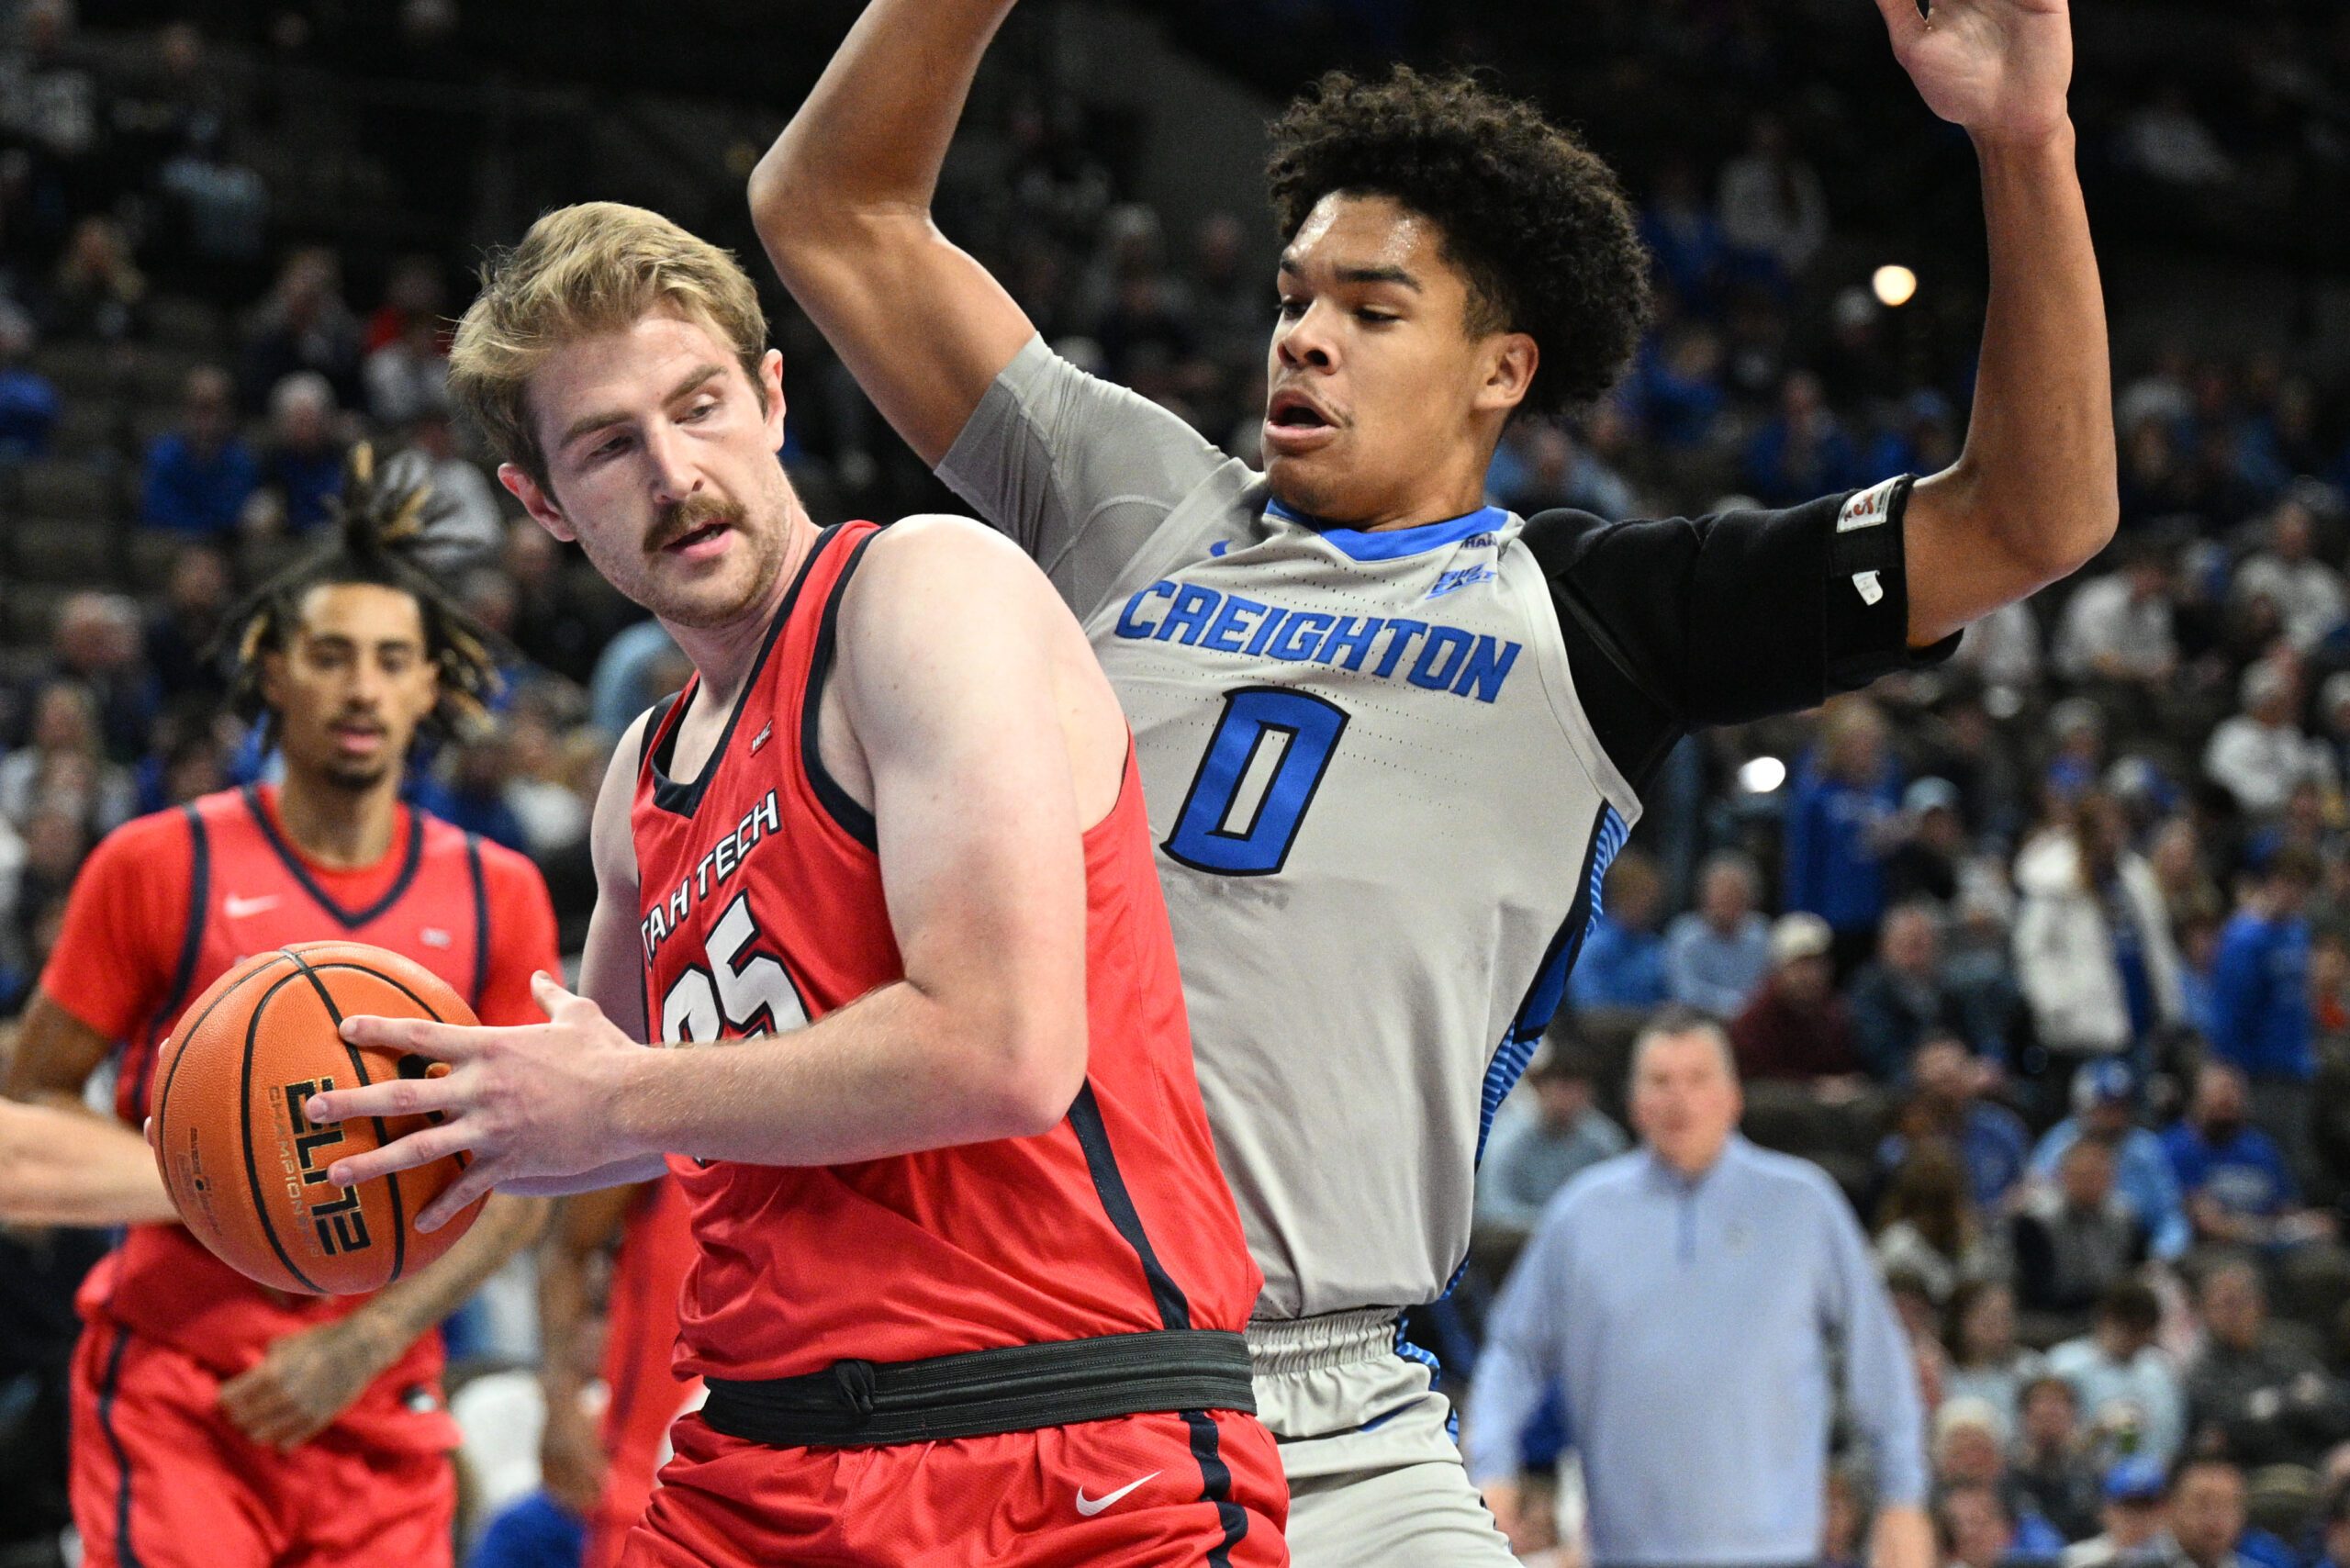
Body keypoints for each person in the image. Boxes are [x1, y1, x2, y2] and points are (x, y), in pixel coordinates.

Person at [754, 0, 2116, 1557]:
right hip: (1026, 1373)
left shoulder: (1595, 616)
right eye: (1292, 297)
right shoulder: (1136, 500)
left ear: (1500, 370)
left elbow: (2034, 515)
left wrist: (2026, 144)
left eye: (1372, 309)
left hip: (1333, 1412)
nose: (1303, 335)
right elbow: (834, 210)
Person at [309, 203, 1282, 1563]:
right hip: (757, 1461)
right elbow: (604, 1115)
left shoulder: (923, 593)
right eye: (608, 446)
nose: (673, 472)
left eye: (698, 407)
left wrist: (612, 1095)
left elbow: (1004, 1049)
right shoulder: (641, 780)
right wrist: (379, 1124)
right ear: (542, 505)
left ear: (771, 398)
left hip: (1054, 1436)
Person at [0, 457, 563, 1568]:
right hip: (180, 1387)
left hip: (379, 1384)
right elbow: (27, 1116)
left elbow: (527, 1173)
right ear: (273, 670)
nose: (361, 687)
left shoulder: (498, 890)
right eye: (330, 654)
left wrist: (370, 1338)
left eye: (391, 660)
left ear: (430, 685)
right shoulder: (159, 862)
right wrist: (225, 1181)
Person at [1466, 1012, 1930, 1567]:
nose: (1679, 1099)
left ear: (1733, 1096)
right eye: (1661, 1081)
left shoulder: (1806, 1205)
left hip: (1777, 1548)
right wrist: (1491, 1467)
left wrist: (1904, 1496)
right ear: (1635, 1103)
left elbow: (1876, 1355)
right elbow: (1513, 1353)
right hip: (1624, 1550)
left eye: (1698, 1078)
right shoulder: (1580, 1215)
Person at [536, 1178, 701, 1568]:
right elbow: (568, 1248)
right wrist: (561, 1400)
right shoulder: (664, 1140)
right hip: (644, 1486)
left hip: (801, 1482)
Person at [2184, 1255, 2347, 1465]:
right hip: (2250, 1469)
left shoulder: (2290, 1351)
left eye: (2243, 1301)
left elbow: (2336, 1405)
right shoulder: (2201, 1372)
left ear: (2260, 1305)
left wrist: (2271, 1406)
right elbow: (2233, 1426)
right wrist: (2295, 1401)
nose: (2234, 1314)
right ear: (2205, 1312)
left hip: (2319, 1459)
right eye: (2225, 1304)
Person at [1472, 1039, 1628, 1256]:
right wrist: (1562, 1223)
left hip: (1588, 1245)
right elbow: (1495, 1210)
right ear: (1540, 1088)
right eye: (1562, 1087)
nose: (1569, 1097)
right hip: (1514, 1250)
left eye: (1578, 1087)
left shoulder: (1603, 1139)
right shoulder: (1507, 1140)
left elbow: (1621, 1203)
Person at [2163, 1059, 2334, 1252]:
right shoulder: (2178, 1147)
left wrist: (2309, 1224)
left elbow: (2287, 1208)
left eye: (2234, 1093)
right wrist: (2270, 1232)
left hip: (2273, 1247)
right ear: (2196, 1099)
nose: (2228, 1098)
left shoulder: (2260, 1148)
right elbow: (2208, 1223)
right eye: (2219, 1094)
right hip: (2212, 1251)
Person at [2030, 1061, 2191, 1261]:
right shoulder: (2060, 1143)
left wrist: (2161, 1255)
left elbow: (2169, 1215)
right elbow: (2035, 1200)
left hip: (2136, 1252)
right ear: (2083, 1106)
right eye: (2105, 1107)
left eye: (2120, 1106)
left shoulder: (2145, 1148)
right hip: (2068, 1250)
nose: (2114, 1116)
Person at [2046, 1281, 2185, 1470]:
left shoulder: (2162, 1369)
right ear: (2105, 1321)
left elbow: (2174, 1438)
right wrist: (2098, 1430)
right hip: (2082, 1474)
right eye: (2128, 1329)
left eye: (2142, 1331)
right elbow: (2050, 1442)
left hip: (2152, 1475)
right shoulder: (2065, 1365)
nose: (2134, 1339)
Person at [2012, 1136, 2151, 1316]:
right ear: (2063, 1175)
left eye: (2100, 1174)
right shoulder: (2035, 1223)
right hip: (2053, 1318)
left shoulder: (2125, 1217)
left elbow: (2137, 1275)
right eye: (2084, 1175)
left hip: (2114, 1316)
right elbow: (2037, 1291)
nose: (2092, 1183)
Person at [1730, 911, 1868, 1087]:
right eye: (1800, 966)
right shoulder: (1754, 1021)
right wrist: (1816, 1086)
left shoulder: (1835, 1013)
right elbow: (1757, 1081)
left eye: (1817, 965)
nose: (1811, 975)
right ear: (1778, 970)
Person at [1662, 850, 1772, 1017]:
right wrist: (1738, 1006)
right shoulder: (1684, 935)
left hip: (1752, 1021)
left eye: (1735, 896)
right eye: (1721, 896)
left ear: (1751, 900)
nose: (1727, 903)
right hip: (1698, 1019)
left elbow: (1768, 988)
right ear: (1703, 897)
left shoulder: (1762, 934)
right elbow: (1685, 992)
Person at [2059, 1458, 2169, 1568]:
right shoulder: (2079, 1558)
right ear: (2107, 1510)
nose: (2136, 1516)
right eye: (2127, 1506)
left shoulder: (2172, 1554)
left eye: (2145, 1507)